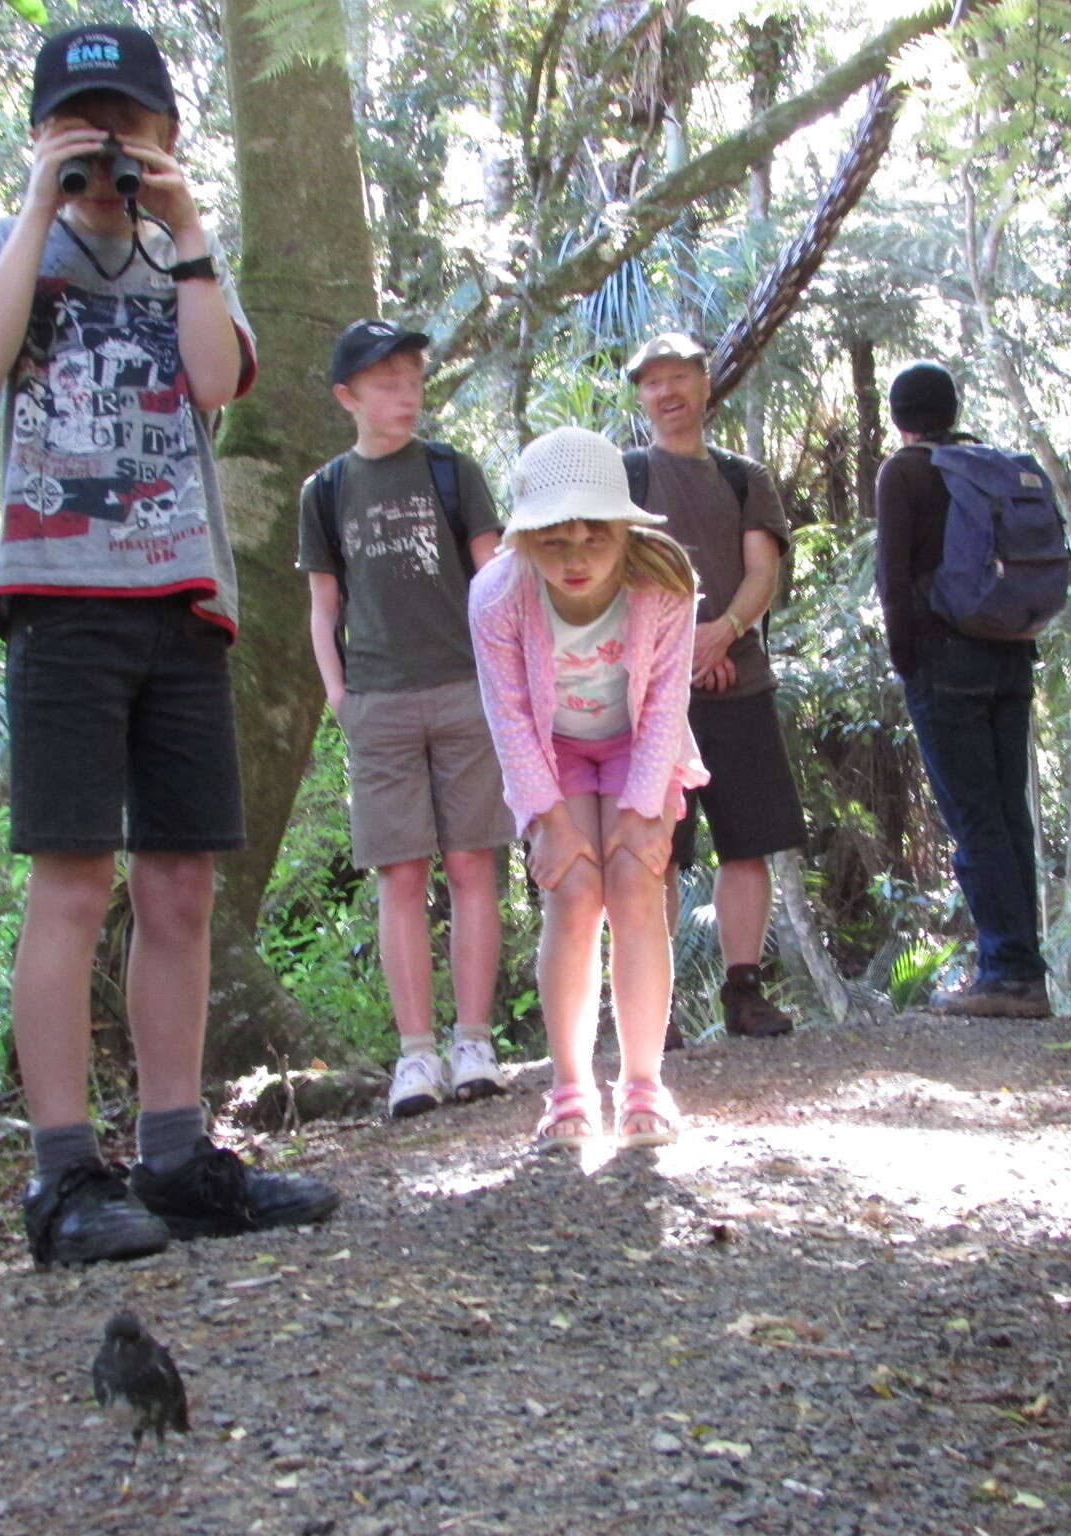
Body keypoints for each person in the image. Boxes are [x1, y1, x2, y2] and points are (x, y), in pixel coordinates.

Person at [0, 23, 337, 1267]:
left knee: (179, 883)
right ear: (43, 134)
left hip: (181, 598)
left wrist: (192, 235)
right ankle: (62, 1176)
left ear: (168, 137)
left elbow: (217, 384)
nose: (105, 153)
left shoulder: (184, 262)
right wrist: (33, 203)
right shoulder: (6, 246)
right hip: (57, 597)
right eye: (80, 125)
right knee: (71, 881)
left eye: (127, 127)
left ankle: (174, 1156)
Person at [468, 427, 710, 1149]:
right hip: (554, 751)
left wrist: (644, 811)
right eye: (553, 543)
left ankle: (644, 1087)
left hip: (640, 742)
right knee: (573, 894)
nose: (575, 560)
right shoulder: (498, 593)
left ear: (623, 531)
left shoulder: (665, 580)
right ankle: (569, 1090)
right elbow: (507, 713)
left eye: (593, 540)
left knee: (637, 883)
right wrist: (548, 820)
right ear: (525, 541)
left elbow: (667, 701)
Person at [298, 320, 514, 1119]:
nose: (407, 395)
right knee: (401, 873)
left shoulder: (455, 473)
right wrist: (338, 696)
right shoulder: (325, 492)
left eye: (414, 379)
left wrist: (507, 682)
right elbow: (324, 606)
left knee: (471, 867)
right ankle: (416, 1055)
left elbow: (494, 583)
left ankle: (476, 1043)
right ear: (348, 397)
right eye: (387, 382)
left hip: (465, 690)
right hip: (378, 703)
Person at [623, 333, 805, 1042]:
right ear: (640, 397)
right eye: (651, 382)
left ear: (704, 384)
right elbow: (615, 575)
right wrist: (681, 653)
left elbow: (762, 571)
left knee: (748, 841)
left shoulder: (742, 477)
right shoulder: (627, 475)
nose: (666, 393)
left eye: (678, 378)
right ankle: (652, 1002)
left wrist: (723, 632)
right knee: (655, 846)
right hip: (651, 691)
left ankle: (744, 988)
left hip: (739, 681)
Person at [873, 362, 1051, 1018]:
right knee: (1007, 814)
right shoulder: (985, 463)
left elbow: (894, 577)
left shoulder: (905, 471)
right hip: (1010, 653)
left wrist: (906, 661)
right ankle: (1021, 965)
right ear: (951, 408)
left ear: (900, 416)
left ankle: (1007, 972)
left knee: (975, 818)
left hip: (944, 663)